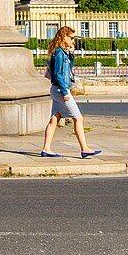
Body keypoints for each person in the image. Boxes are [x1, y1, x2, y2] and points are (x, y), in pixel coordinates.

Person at [41, 25, 101, 159]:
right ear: (63, 37)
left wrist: (72, 54)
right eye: (71, 38)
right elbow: (58, 74)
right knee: (78, 118)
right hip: (60, 89)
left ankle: (46, 149)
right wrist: (65, 92)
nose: (73, 41)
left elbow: (68, 70)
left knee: (54, 119)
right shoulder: (59, 53)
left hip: (57, 89)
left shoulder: (62, 52)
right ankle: (84, 149)